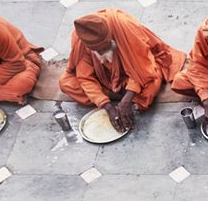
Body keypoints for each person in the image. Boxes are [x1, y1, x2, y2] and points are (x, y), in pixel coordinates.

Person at [57, 9, 186, 130]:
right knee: (66, 83)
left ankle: (123, 96)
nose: (102, 57)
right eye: (98, 52)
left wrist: (128, 98)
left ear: (111, 38)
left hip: (133, 74)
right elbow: (85, 78)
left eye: (105, 49)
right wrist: (106, 106)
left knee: (152, 83)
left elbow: (143, 67)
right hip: (104, 78)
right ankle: (113, 96)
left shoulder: (126, 27)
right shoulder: (82, 40)